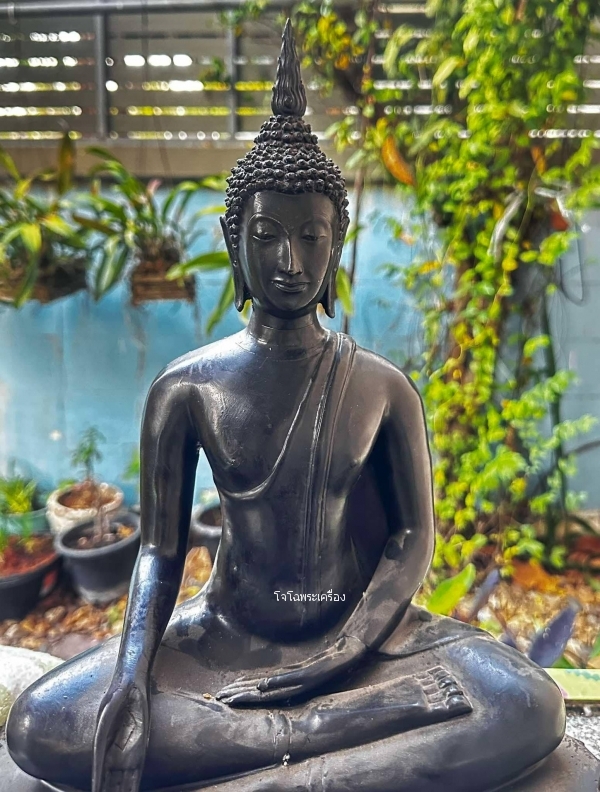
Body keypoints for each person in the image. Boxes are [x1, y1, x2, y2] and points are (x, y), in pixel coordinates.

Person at [7, 21, 565, 792]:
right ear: (233, 239)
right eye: (267, 236)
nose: (290, 261)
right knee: (42, 722)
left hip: (364, 640)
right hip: (227, 637)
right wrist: (132, 676)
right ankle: (317, 740)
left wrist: (342, 653)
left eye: (312, 236)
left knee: (527, 701)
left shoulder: (381, 386)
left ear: (337, 244)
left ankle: (269, 771)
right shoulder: (186, 388)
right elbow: (160, 552)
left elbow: (411, 538)